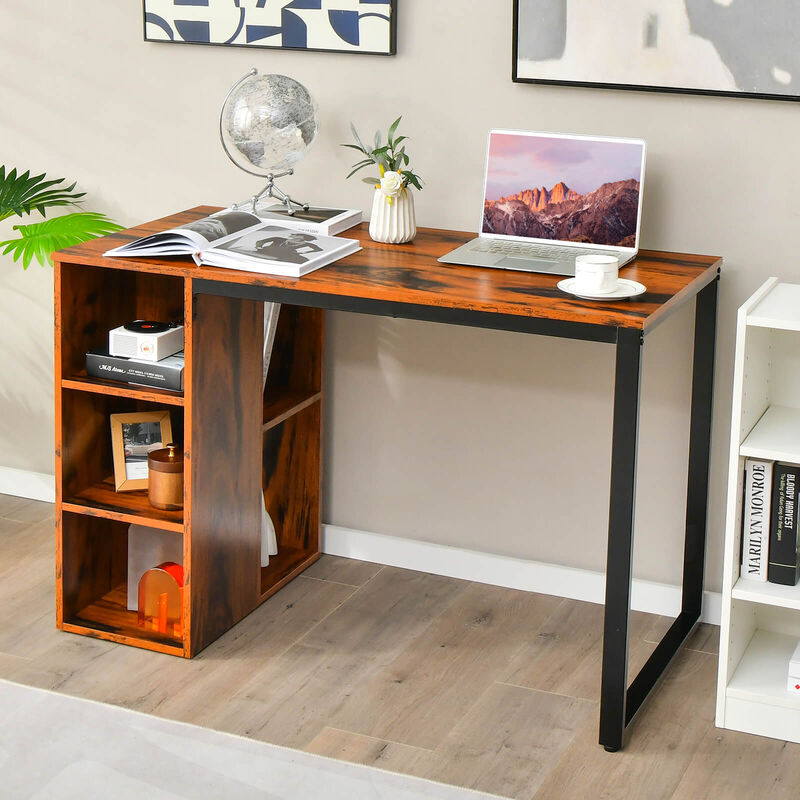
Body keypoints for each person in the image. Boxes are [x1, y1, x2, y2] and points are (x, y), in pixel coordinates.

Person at [253, 232, 322, 264]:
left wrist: (304, 252)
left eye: (298, 236)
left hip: (287, 255)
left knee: (304, 260)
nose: (294, 236)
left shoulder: (307, 244)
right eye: (295, 235)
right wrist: (258, 247)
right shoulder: (278, 238)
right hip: (270, 251)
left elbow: (319, 249)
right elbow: (260, 241)